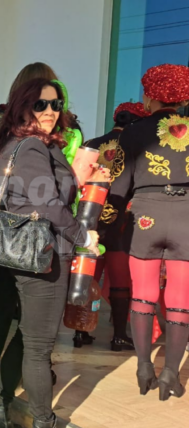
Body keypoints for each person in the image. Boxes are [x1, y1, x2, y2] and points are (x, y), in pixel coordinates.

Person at [0, 78, 101, 428]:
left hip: (27, 255)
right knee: (38, 348)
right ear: (23, 107)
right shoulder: (34, 146)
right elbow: (50, 205)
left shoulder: (20, 144)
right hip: (44, 255)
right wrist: (83, 236)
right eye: (41, 104)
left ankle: (0, 407)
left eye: (56, 104)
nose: (50, 111)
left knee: (27, 340)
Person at [0, 62, 61, 428]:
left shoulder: (0, 130)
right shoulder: (53, 137)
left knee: (1, 312)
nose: (51, 109)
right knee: (31, 331)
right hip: (38, 240)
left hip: (3, 237)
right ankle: (2, 399)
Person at [107, 64, 189, 401]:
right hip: (186, 217)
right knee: (180, 298)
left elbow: (118, 188)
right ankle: (171, 372)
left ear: (150, 96)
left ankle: (144, 366)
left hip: (146, 217)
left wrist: (102, 225)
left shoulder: (133, 132)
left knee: (143, 293)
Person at [82, 102, 150, 352]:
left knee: (88, 275)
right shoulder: (137, 144)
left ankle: (80, 331)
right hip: (122, 217)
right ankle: (119, 335)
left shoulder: (92, 143)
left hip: (91, 216)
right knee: (120, 278)